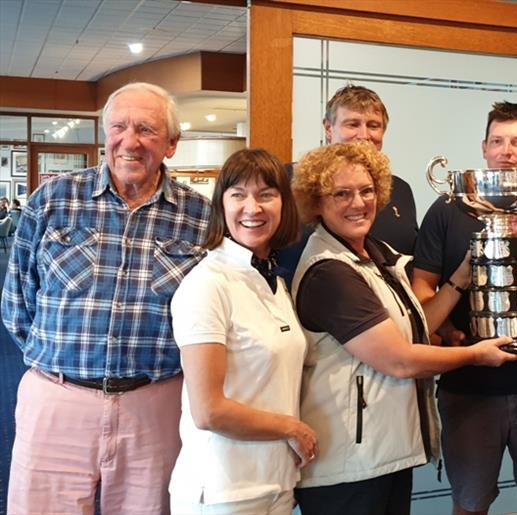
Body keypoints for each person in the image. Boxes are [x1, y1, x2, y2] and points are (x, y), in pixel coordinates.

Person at [1, 82, 210, 514]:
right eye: (118, 127)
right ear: (104, 134)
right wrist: (64, 364)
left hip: (156, 404)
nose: (129, 141)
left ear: (171, 144)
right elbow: (17, 303)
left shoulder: (202, 217)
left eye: (146, 130)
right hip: (58, 398)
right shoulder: (54, 200)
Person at [290, 141, 517, 515]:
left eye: (366, 191)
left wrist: (461, 276)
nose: (358, 203)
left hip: (385, 455)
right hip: (348, 466)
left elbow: (414, 329)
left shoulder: (375, 255)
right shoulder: (330, 272)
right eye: (342, 194)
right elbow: (399, 360)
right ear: (316, 203)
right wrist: (477, 354)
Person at [412, 101, 517, 515]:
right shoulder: (450, 208)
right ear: (484, 148)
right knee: (469, 504)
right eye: (498, 141)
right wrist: (452, 327)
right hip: (468, 387)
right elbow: (420, 301)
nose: (507, 151)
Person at [169, 148, 317, 514]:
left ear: (284, 204)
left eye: (266, 194)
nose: (253, 208)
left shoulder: (273, 280)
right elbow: (209, 411)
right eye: (238, 195)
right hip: (222, 490)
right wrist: (291, 428)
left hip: (276, 482)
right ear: (221, 205)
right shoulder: (207, 284)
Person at [277, 85, 418, 283]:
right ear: (328, 127)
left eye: (373, 125)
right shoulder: (288, 181)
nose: (364, 135)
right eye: (352, 124)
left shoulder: (401, 190)